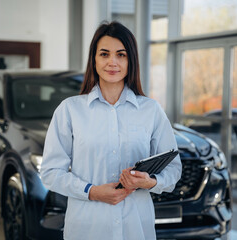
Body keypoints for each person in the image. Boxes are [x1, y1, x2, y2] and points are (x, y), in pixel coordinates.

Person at [41, 21, 182, 240]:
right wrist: (92, 191)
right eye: (104, 54)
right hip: (87, 228)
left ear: (131, 60)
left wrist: (149, 181)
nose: (112, 62)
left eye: (121, 55)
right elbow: (50, 172)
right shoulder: (70, 110)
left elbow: (173, 169)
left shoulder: (151, 110)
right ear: (94, 60)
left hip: (136, 228)